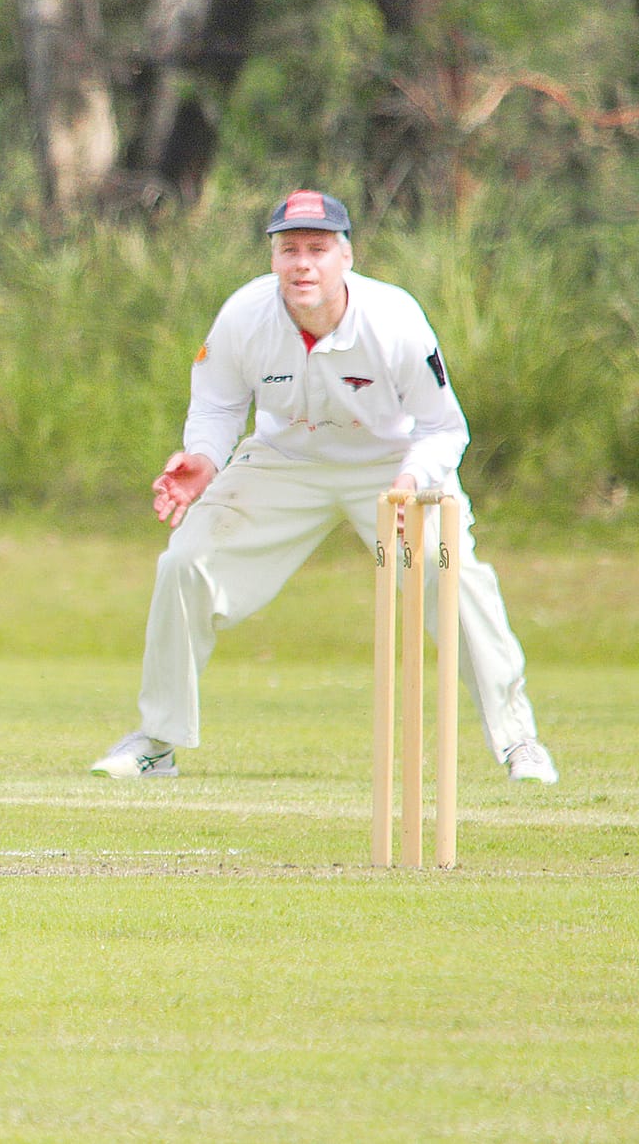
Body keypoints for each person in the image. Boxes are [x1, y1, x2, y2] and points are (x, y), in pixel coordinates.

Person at [91, 190, 558, 784]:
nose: (302, 263)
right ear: (272, 260)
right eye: (289, 249)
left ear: (347, 257)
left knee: (456, 580)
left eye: (317, 248)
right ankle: (158, 741)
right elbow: (216, 405)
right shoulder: (243, 316)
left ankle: (520, 743)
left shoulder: (393, 320)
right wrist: (204, 461)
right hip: (285, 461)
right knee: (184, 562)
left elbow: (445, 428)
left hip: (392, 465)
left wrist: (411, 481)